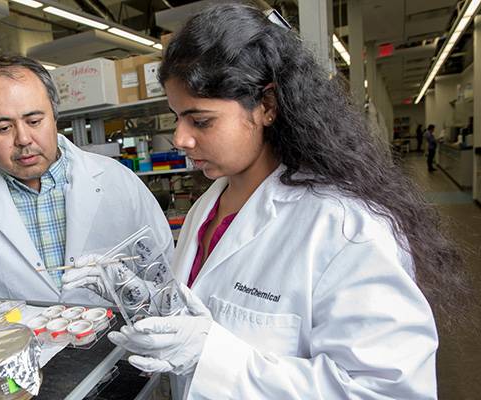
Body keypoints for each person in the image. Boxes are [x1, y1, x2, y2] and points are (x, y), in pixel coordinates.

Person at [103, 4, 466, 399]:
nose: (180, 138)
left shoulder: (344, 227)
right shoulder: (207, 206)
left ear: (267, 106)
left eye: (201, 120)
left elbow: (384, 391)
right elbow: (200, 309)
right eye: (176, 117)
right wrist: (137, 295)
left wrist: (211, 356)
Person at [0, 55, 173, 317]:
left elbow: (164, 272)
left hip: (114, 353)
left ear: (55, 116)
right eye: (3, 128)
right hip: (1, 358)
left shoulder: (117, 180)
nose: (23, 138)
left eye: (34, 121)